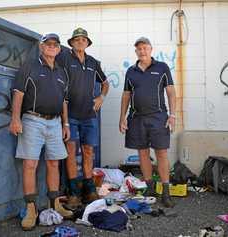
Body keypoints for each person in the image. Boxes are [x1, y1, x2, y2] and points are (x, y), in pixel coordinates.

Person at [9, 33, 72, 230]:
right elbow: (18, 93)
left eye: (55, 44)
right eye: (48, 44)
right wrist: (15, 119)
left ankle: (55, 204)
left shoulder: (62, 72)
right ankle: (30, 210)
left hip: (54, 123)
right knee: (30, 164)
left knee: (54, 163)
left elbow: (63, 101)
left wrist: (66, 124)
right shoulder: (30, 66)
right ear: (41, 47)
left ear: (59, 49)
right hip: (32, 120)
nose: (52, 47)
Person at [119, 37, 176, 208]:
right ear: (136, 51)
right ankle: (150, 187)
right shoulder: (131, 71)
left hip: (159, 117)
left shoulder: (162, 68)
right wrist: (122, 118)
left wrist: (173, 115)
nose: (142, 51)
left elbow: (171, 93)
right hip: (137, 118)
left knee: (161, 153)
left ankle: (166, 192)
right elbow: (126, 96)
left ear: (151, 49)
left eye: (145, 48)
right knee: (142, 153)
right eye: (139, 49)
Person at [57, 27, 109, 209]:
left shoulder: (93, 62)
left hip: (89, 116)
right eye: (77, 39)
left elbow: (105, 83)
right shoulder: (63, 58)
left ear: (87, 43)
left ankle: (89, 189)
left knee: (88, 152)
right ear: (71, 43)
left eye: (83, 40)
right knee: (70, 153)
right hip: (69, 114)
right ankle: (73, 192)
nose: (80, 42)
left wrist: (101, 97)